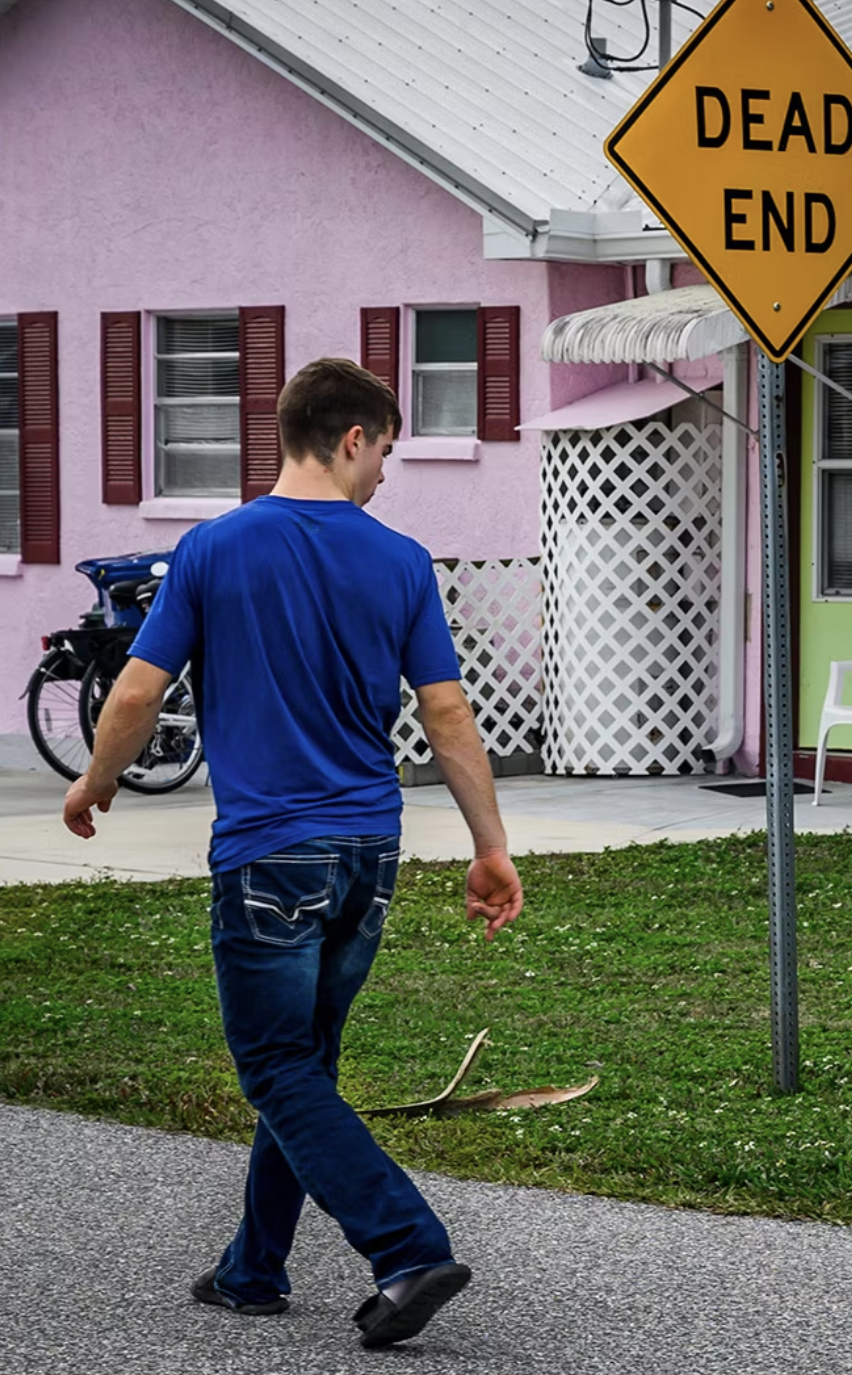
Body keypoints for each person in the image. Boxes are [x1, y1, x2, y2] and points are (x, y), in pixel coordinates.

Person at [62, 357, 523, 1350]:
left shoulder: (215, 548)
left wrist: (95, 781)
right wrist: (491, 846)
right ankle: (253, 1268)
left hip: (271, 852)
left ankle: (405, 1243)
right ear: (350, 437)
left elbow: (137, 692)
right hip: (367, 850)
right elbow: (445, 711)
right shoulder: (398, 560)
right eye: (387, 451)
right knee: (302, 1059)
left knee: (276, 1065)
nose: (386, 475)